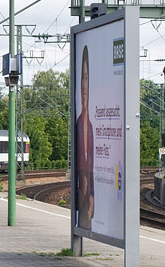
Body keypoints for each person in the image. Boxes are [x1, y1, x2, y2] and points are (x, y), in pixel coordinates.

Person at [76, 45, 94, 231]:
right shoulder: (80, 123)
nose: (84, 85)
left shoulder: (90, 125)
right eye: (82, 77)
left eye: (87, 78)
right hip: (83, 205)